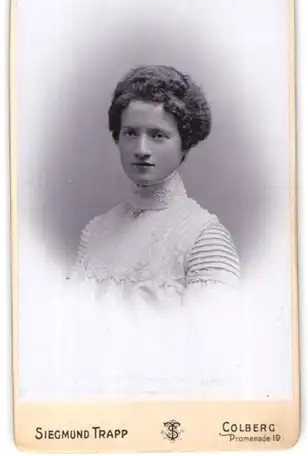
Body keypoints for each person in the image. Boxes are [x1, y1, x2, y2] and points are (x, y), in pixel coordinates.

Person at [65, 65, 243, 397]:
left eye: (158, 135)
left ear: (184, 144)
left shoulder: (204, 237)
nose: (141, 148)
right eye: (131, 133)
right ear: (117, 138)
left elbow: (214, 364)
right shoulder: (96, 231)